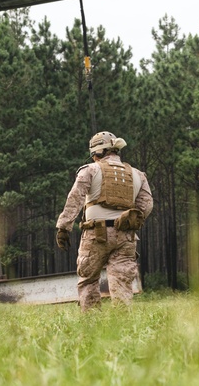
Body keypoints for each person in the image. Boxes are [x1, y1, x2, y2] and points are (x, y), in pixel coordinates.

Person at [55, 131, 153, 310]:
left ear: (97, 152)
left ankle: (92, 324)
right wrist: (131, 219)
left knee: (88, 280)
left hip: (96, 235)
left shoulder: (90, 170)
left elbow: (75, 199)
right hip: (126, 237)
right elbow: (146, 204)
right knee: (122, 282)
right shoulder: (138, 175)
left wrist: (64, 227)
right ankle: (121, 325)